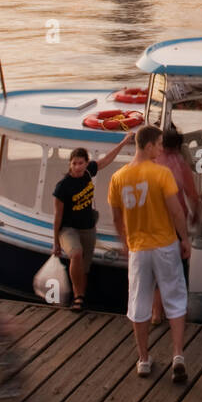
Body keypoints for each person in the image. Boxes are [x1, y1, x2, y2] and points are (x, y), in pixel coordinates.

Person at [108, 125, 192, 382]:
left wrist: (125, 242)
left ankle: (143, 359)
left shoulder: (118, 177)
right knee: (175, 298)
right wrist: (185, 238)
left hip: (138, 249)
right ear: (147, 146)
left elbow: (116, 217)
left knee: (139, 302)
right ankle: (178, 354)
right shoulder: (161, 174)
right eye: (157, 144)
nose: (160, 149)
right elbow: (176, 211)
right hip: (165, 244)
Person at [52, 132, 134, 312]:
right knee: (76, 254)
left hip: (88, 227)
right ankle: (78, 297)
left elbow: (107, 159)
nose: (77, 167)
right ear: (70, 164)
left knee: (84, 267)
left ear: (86, 163)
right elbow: (57, 216)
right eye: (74, 163)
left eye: (81, 163)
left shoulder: (89, 172)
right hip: (68, 229)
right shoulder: (63, 187)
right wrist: (55, 243)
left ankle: (81, 298)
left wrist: (124, 142)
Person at [150, 126, 202, 324]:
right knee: (178, 269)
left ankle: (156, 313)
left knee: (157, 269)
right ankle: (179, 312)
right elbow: (193, 195)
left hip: (154, 221)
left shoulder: (153, 163)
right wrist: (196, 216)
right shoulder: (180, 164)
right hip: (175, 221)